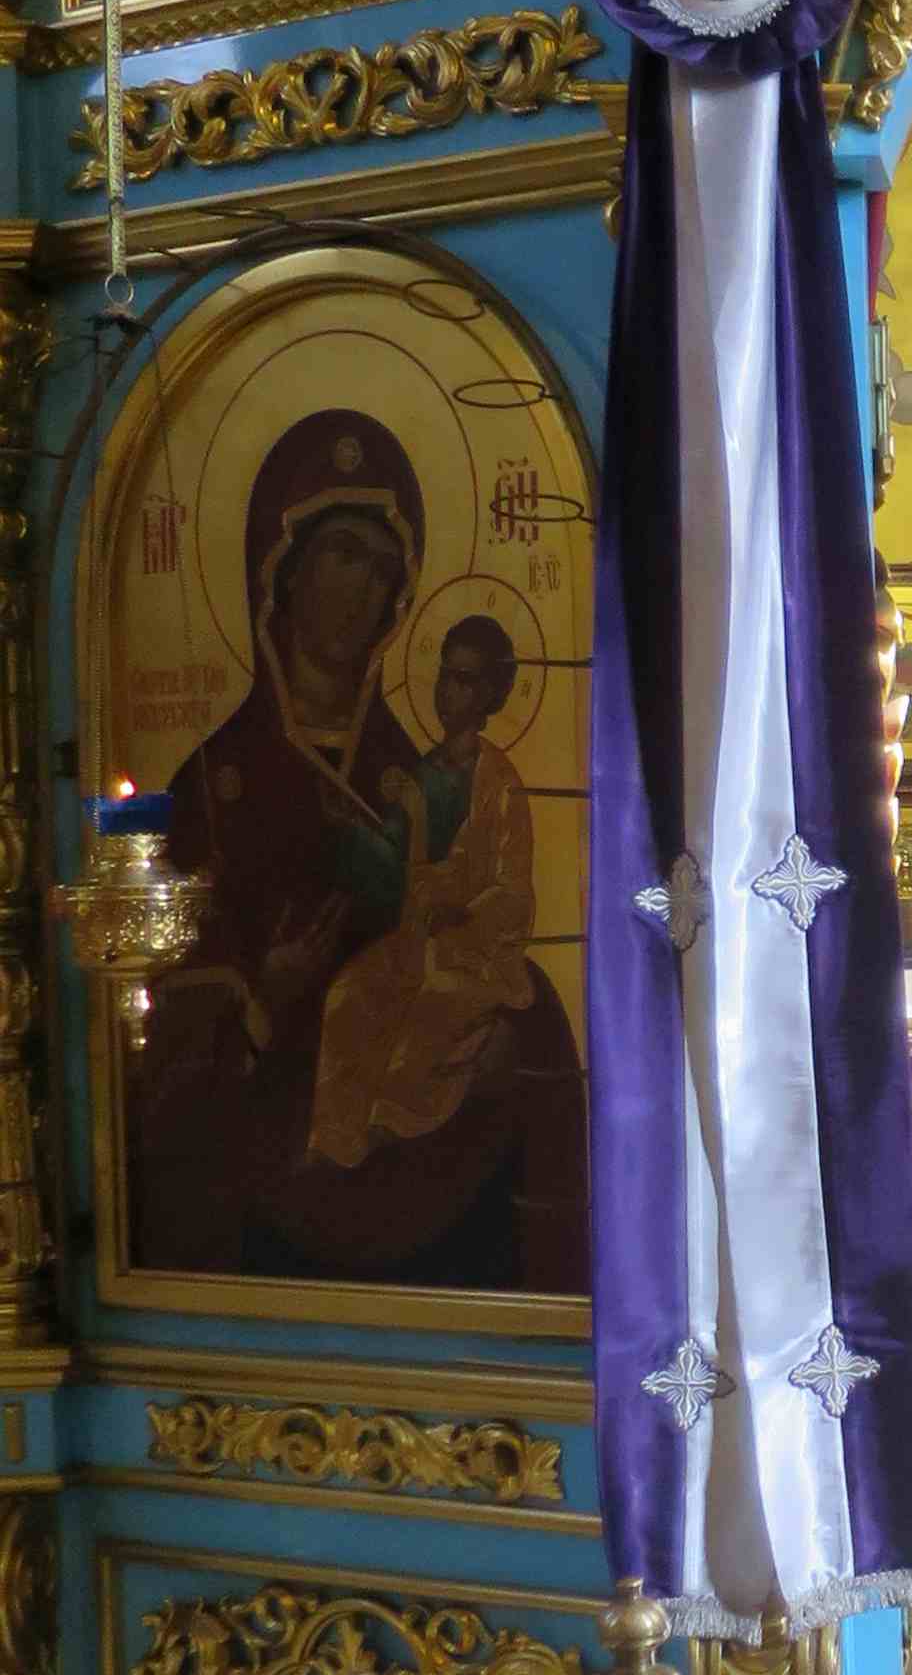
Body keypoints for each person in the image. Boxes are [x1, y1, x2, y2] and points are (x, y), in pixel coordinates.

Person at [130, 409, 585, 1294]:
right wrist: (262, 995)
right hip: (264, 1124)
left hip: (408, 1065)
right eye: (343, 555)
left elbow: (468, 899)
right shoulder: (215, 782)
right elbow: (158, 1026)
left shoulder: (408, 770)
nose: (363, 589)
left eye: (383, 571)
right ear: (283, 569)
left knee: (536, 1027)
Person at [308, 613, 541, 1175]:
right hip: (415, 938)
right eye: (444, 674)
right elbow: (394, 863)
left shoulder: (500, 783)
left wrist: (459, 910)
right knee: (347, 992)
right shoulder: (423, 771)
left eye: (465, 680)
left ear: (491, 694)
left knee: (431, 996)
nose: (447, 691)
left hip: (474, 951)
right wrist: (350, 830)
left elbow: (513, 889)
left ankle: (388, 1128)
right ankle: (334, 1141)